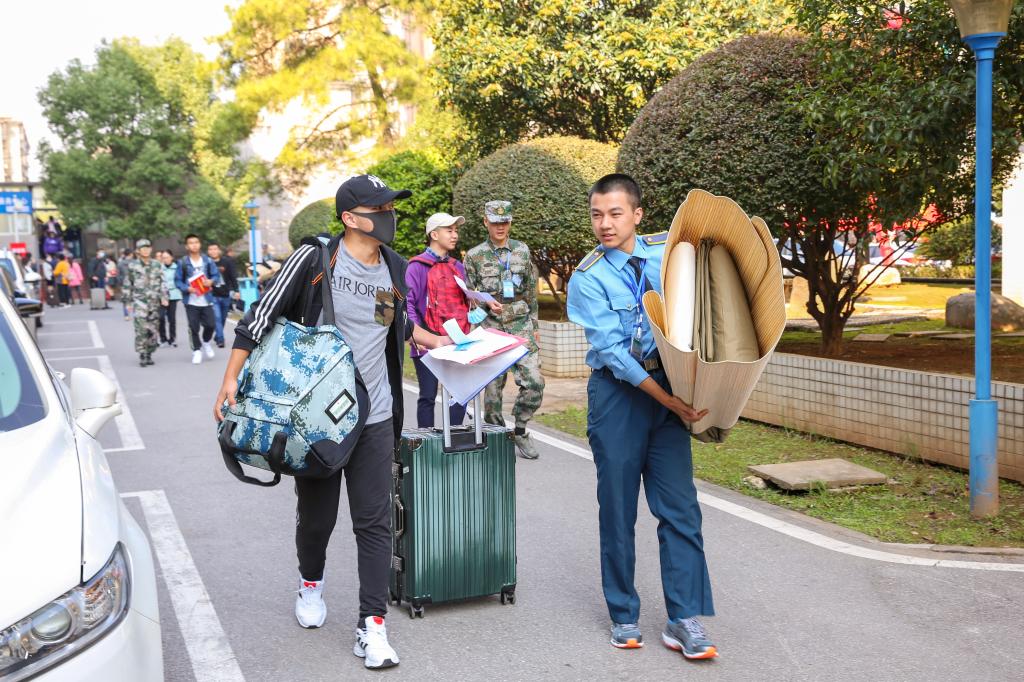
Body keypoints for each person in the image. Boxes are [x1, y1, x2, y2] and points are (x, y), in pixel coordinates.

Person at [213, 174, 452, 671]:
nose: (389, 216)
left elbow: (393, 323)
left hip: (375, 416)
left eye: (390, 207)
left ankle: (372, 625)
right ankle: (310, 583)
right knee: (318, 519)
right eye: (379, 209)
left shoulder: (394, 266)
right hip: (316, 421)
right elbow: (261, 315)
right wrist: (231, 378)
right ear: (350, 218)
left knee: (375, 521)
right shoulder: (317, 258)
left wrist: (443, 343)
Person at [566, 173, 716, 657]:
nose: (605, 224)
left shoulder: (666, 252)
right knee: (618, 509)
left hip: (670, 387)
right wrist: (666, 399)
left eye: (615, 213)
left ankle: (684, 618)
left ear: (637, 214)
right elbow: (612, 352)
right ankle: (623, 613)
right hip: (618, 396)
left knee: (680, 509)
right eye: (596, 215)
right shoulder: (588, 277)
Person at [464, 200, 545, 460]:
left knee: (535, 382)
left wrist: (535, 325)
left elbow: (530, 291)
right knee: (492, 391)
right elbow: (470, 294)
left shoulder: (522, 250)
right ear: (486, 222)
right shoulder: (474, 255)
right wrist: (485, 304)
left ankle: (520, 429)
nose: (500, 227)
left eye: (505, 222)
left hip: (520, 324)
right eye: (495, 222)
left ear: (510, 223)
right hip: (490, 327)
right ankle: (497, 437)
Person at [406, 212, 502, 428]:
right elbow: (409, 304)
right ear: (434, 234)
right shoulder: (416, 267)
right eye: (449, 230)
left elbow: (467, 299)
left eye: (456, 230)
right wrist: (416, 336)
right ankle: (426, 442)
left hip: (457, 341)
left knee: (459, 395)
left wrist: (486, 302)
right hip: (427, 342)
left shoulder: (457, 266)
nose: (455, 235)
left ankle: (455, 438)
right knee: (427, 396)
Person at [175, 234, 222, 365]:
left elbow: (216, 276)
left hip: (206, 299)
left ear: (200, 244)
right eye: (191, 243)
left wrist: (211, 281)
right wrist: (186, 288)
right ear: (187, 246)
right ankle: (197, 350)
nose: (194, 245)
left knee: (211, 325)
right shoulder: (182, 262)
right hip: (191, 301)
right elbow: (177, 280)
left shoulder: (208, 261)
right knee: (193, 327)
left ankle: (206, 342)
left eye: (196, 242)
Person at [125, 239, 169, 366]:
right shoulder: (133, 266)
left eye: (147, 248)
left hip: (154, 302)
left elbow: (163, 282)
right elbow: (128, 284)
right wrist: (127, 302)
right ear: (138, 251)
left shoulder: (157, 264)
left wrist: (164, 296)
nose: (145, 250)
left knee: (153, 329)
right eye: (142, 248)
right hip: (140, 302)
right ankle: (142, 354)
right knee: (141, 329)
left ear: (151, 249)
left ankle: (149, 353)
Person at [207, 242, 239, 348]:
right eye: (210, 249)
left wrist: (237, 290)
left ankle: (217, 335)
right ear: (208, 251)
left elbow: (233, 276)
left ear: (219, 250)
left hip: (225, 294)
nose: (213, 251)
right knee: (217, 317)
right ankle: (220, 339)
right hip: (212, 295)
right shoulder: (206, 263)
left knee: (223, 318)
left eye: (215, 249)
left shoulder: (227, 262)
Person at [159, 250, 181, 347]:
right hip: (161, 295)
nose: (165, 259)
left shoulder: (177, 267)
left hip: (173, 295)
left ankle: (172, 339)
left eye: (167, 257)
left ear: (172, 257)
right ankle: (163, 338)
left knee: (172, 318)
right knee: (160, 317)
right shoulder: (159, 268)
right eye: (163, 258)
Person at [116, 248, 134, 320]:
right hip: (135, 283)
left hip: (125, 284)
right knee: (136, 299)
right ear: (131, 254)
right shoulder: (135, 263)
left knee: (126, 300)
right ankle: (136, 315)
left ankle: (126, 315)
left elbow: (118, 275)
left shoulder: (120, 264)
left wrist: (121, 283)